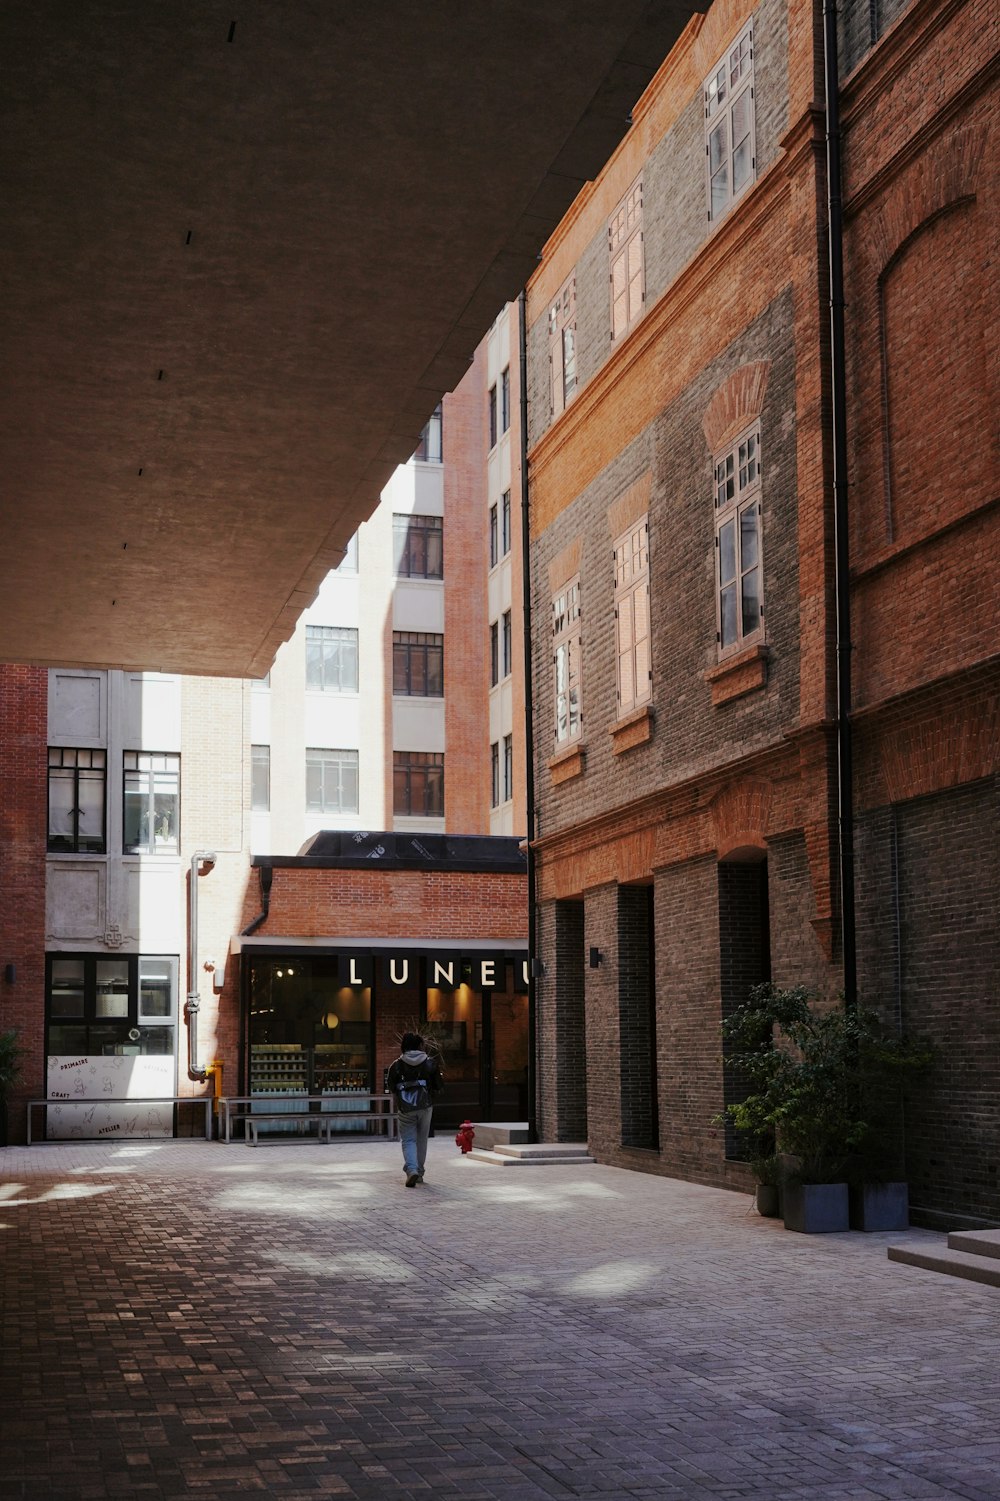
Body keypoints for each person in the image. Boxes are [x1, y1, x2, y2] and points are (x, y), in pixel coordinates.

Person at [386, 1032, 443, 1187]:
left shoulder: (396, 1065)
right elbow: (439, 1086)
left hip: (405, 1108)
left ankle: (412, 1170)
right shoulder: (430, 1063)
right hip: (425, 1106)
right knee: (421, 1139)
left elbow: (391, 1086)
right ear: (420, 1045)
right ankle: (419, 1171)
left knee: (408, 1140)